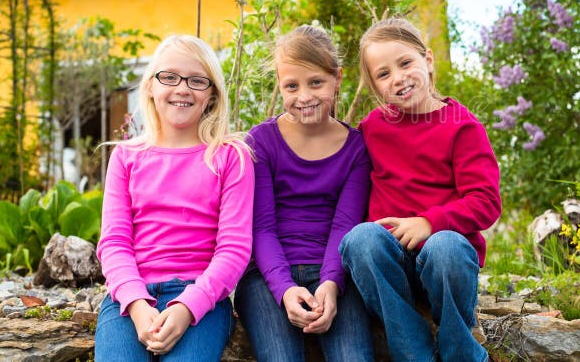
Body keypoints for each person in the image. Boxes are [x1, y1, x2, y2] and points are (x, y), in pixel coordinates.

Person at [339, 18, 502, 362]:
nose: (397, 77)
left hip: (445, 265)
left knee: (446, 247)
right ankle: (413, 353)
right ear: (375, 86)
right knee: (360, 239)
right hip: (391, 267)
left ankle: (460, 351)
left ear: (427, 60)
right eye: (383, 74)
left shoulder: (463, 127)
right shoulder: (372, 129)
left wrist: (429, 223)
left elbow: (486, 203)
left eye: (405, 63)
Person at [95, 35, 254, 361]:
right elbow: (113, 244)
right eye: (169, 77)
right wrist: (137, 305)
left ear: (211, 95)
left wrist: (187, 308)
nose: (182, 89)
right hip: (129, 299)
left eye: (197, 81)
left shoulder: (230, 157)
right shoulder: (126, 157)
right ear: (151, 87)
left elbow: (234, 249)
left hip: (201, 299)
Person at [234, 24, 374, 361]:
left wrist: (330, 284)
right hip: (265, 278)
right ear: (280, 86)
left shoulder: (356, 149)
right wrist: (284, 290)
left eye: (316, 83)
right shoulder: (262, 142)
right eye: (291, 86)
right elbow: (262, 228)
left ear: (337, 79)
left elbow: (345, 226)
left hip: (334, 273)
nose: (304, 96)